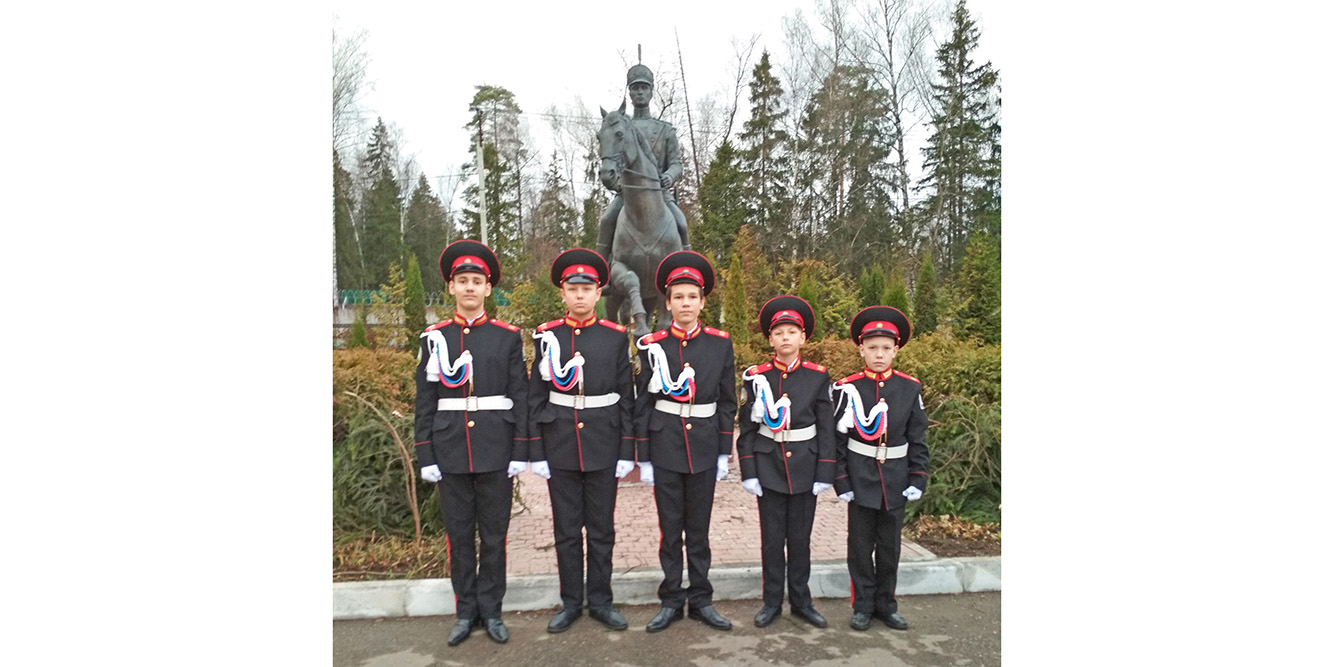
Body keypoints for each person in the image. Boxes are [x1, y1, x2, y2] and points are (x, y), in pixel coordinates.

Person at [413, 240, 529, 647]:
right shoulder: (434, 338)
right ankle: (465, 612)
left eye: (476, 282)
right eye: (462, 281)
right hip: (450, 450)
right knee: (459, 537)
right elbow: (425, 400)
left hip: (496, 448)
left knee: (494, 537)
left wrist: (520, 450)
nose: (469, 288)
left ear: (487, 289)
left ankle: (492, 610)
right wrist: (425, 453)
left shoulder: (507, 337)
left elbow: (520, 395)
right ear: (451, 287)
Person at [526, 249, 637, 634]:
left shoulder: (615, 337)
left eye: (586, 288)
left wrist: (627, 449)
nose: (579, 295)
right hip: (559, 445)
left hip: (604, 444)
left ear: (597, 293)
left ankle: (601, 601)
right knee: (567, 531)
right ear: (562, 293)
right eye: (572, 288)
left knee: (602, 530)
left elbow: (626, 396)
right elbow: (536, 396)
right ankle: (571, 602)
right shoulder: (547, 336)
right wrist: (537, 451)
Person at [633, 250, 736, 633]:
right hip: (665, 445)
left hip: (705, 446)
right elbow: (643, 403)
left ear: (703, 302)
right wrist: (644, 455)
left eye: (693, 296)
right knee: (669, 529)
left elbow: (727, 401)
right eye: (679, 297)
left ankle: (702, 599)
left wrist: (724, 451)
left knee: (699, 530)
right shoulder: (652, 345)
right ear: (668, 302)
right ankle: (672, 600)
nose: (686, 303)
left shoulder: (720, 343)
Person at [736, 296, 836, 629]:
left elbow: (826, 428)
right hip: (769, 468)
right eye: (778, 333)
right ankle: (771, 602)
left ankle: (802, 602)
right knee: (771, 540)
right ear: (770, 340)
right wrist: (749, 470)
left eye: (792, 332)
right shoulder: (756, 378)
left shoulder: (818, 377)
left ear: (803, 338)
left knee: (800, 540)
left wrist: (825, 470)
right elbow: (747, 429)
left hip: (806, 467)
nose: (785, 338)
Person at [832, 306, 930, 632]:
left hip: (896, 479)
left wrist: (918, 476)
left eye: (886, 348)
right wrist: (842, 480)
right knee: (860, 548)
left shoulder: (909, 388)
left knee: (890, 549)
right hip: (860, 478)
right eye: (872, 347)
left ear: (895, 350)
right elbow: (838, 441)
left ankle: (887, 605)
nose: (879, 354)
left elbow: (917, 438)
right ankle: (862, 606)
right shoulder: (847, 388)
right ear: (861, 349)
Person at [596, 63, 690, 261]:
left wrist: (668, 176)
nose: (639, 92)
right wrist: (617, 183)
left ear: (651, 91)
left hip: (660, 194)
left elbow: (676, 163)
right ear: (629, 92)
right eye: (635, 88)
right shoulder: (620, 127)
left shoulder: (665, 130)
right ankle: (601, 270)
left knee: (681, 223)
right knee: (606, 220)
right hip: (626, 195)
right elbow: (614, 158)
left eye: (644, 87)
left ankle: (687, 269)